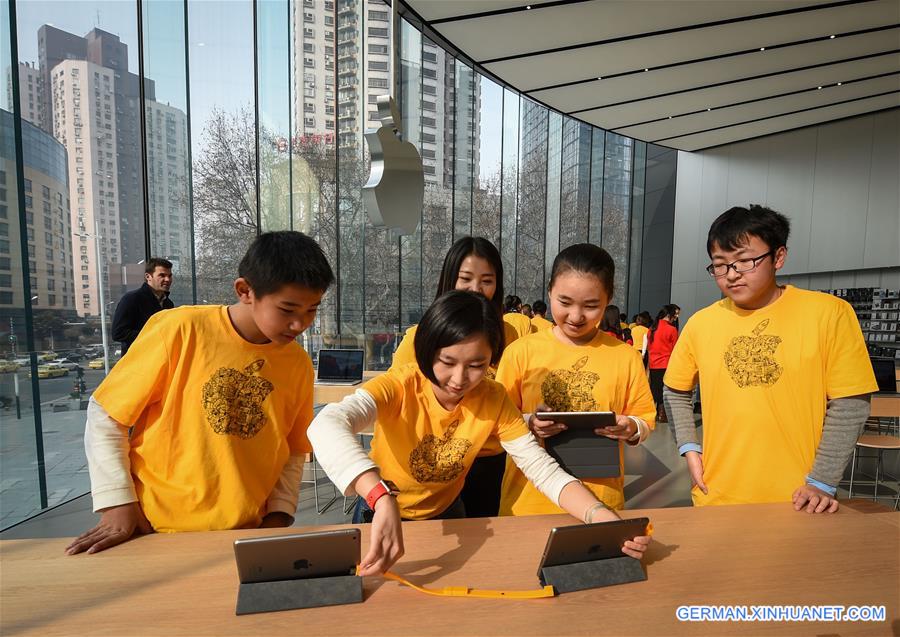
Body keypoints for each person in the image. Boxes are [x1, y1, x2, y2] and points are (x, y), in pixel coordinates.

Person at [307, 290, 651, 575]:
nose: (459, 379)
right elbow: (327, 424)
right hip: (377, 513)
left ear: (491, 360)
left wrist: (600, 518)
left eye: (476, 365)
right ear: (427, 350)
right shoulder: (402, 385)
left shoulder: (493, 398)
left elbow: (541, 468)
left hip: (449, 515)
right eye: (447, 361)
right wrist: (379, 496)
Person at [65, 231, 334, 555]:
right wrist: (117, 502)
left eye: (311, 310)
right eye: (288, 309)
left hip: (247, 531)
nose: (299, 324)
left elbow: (292, 448)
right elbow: (107, 414)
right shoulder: (178, 329)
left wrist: (280, 513)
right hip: (155, 525)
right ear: (245, 291)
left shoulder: (298, 364)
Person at [663, 205, 877, 512]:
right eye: (720, 265)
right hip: (716, 495)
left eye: (745, 261)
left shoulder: (828, 313)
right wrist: (689, 447)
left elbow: (851, 402)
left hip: (799, 499)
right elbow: (675, 390)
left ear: (778, 257)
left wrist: (821, 481)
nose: (731, 275)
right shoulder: (701, 323)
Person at [497, 244, 656, 515]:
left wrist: (630, 427)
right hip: (528, 501)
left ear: (608, 300)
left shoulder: (625, 356)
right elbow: (496, 420)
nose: (576, 316)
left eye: (591, 306)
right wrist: (529, 423)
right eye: (565, 302)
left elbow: (644, 419)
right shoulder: (521, 352)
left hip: (603, 499)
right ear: (549, 292)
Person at [388, 236, 518, 518]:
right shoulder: (420, 338)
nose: (476, 289)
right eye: (466, 278)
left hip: (489, 460)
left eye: (487, 280)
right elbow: (395, 409)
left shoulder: (509, 336)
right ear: (449, 280)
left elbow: (509, 401)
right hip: (438, 465)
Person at [111, 258, 175, 356]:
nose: (167, 279)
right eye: (162, 275)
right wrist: (154, 336)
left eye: (169, 276)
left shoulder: (168, 304)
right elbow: (118, 333)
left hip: (159, 360)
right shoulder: (131, 299)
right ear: (148, 276)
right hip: (137, 362)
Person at [647, 304, 680, 423]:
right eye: (676, 314)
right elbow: (675, 349)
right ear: (669, 314)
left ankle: (656, 412)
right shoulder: (672, 329)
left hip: (654, 364)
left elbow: (650, 346)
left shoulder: (652, 328)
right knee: (666, 390)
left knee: (655, 388)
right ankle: (662, 414)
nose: (676, 317)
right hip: (666, 363)